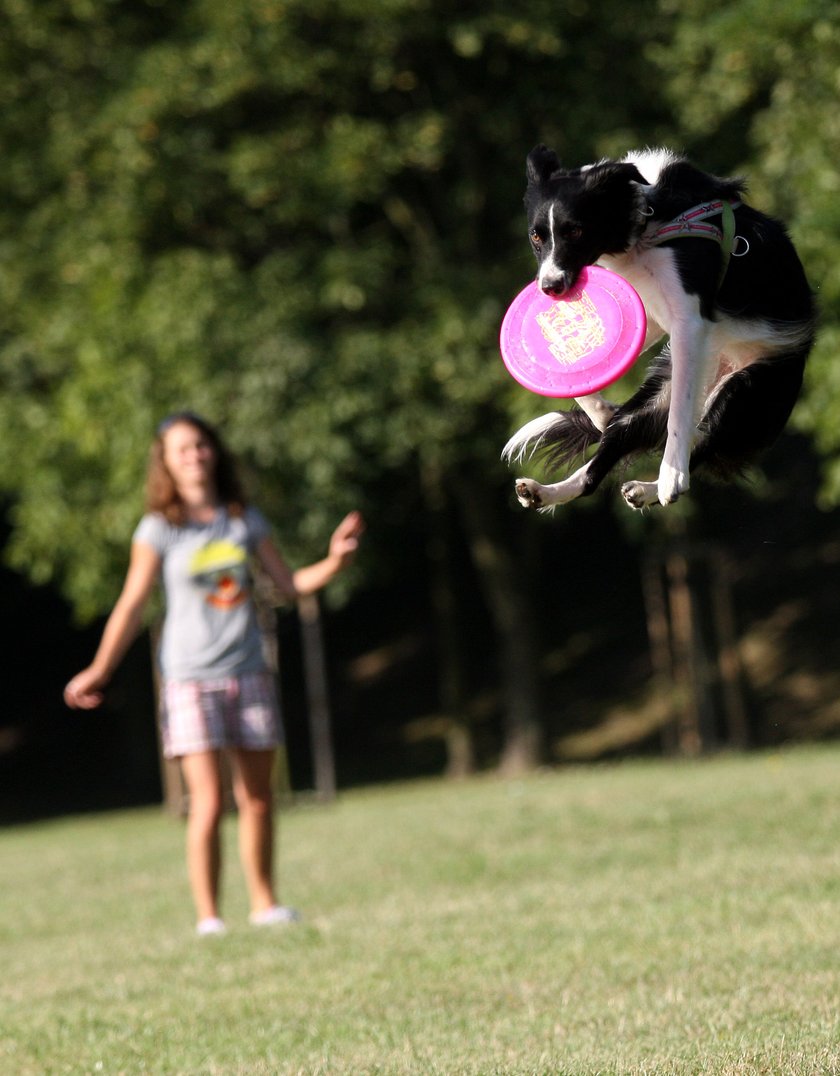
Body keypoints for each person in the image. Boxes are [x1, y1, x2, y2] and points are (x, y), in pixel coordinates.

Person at [64, 411, 364, 936]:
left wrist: (334, 561)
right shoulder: (158, 530)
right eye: (182, 449)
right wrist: (99, 669)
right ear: (166, 462)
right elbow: (133, 604)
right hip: (188, 678)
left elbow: (288, 584)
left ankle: (266, 904)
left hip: (248, 671)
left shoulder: (243, 518)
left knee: (259, 796)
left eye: (201, 446)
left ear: (213, 453)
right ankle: (209, 917)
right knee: (205, 803)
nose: (195, 455)